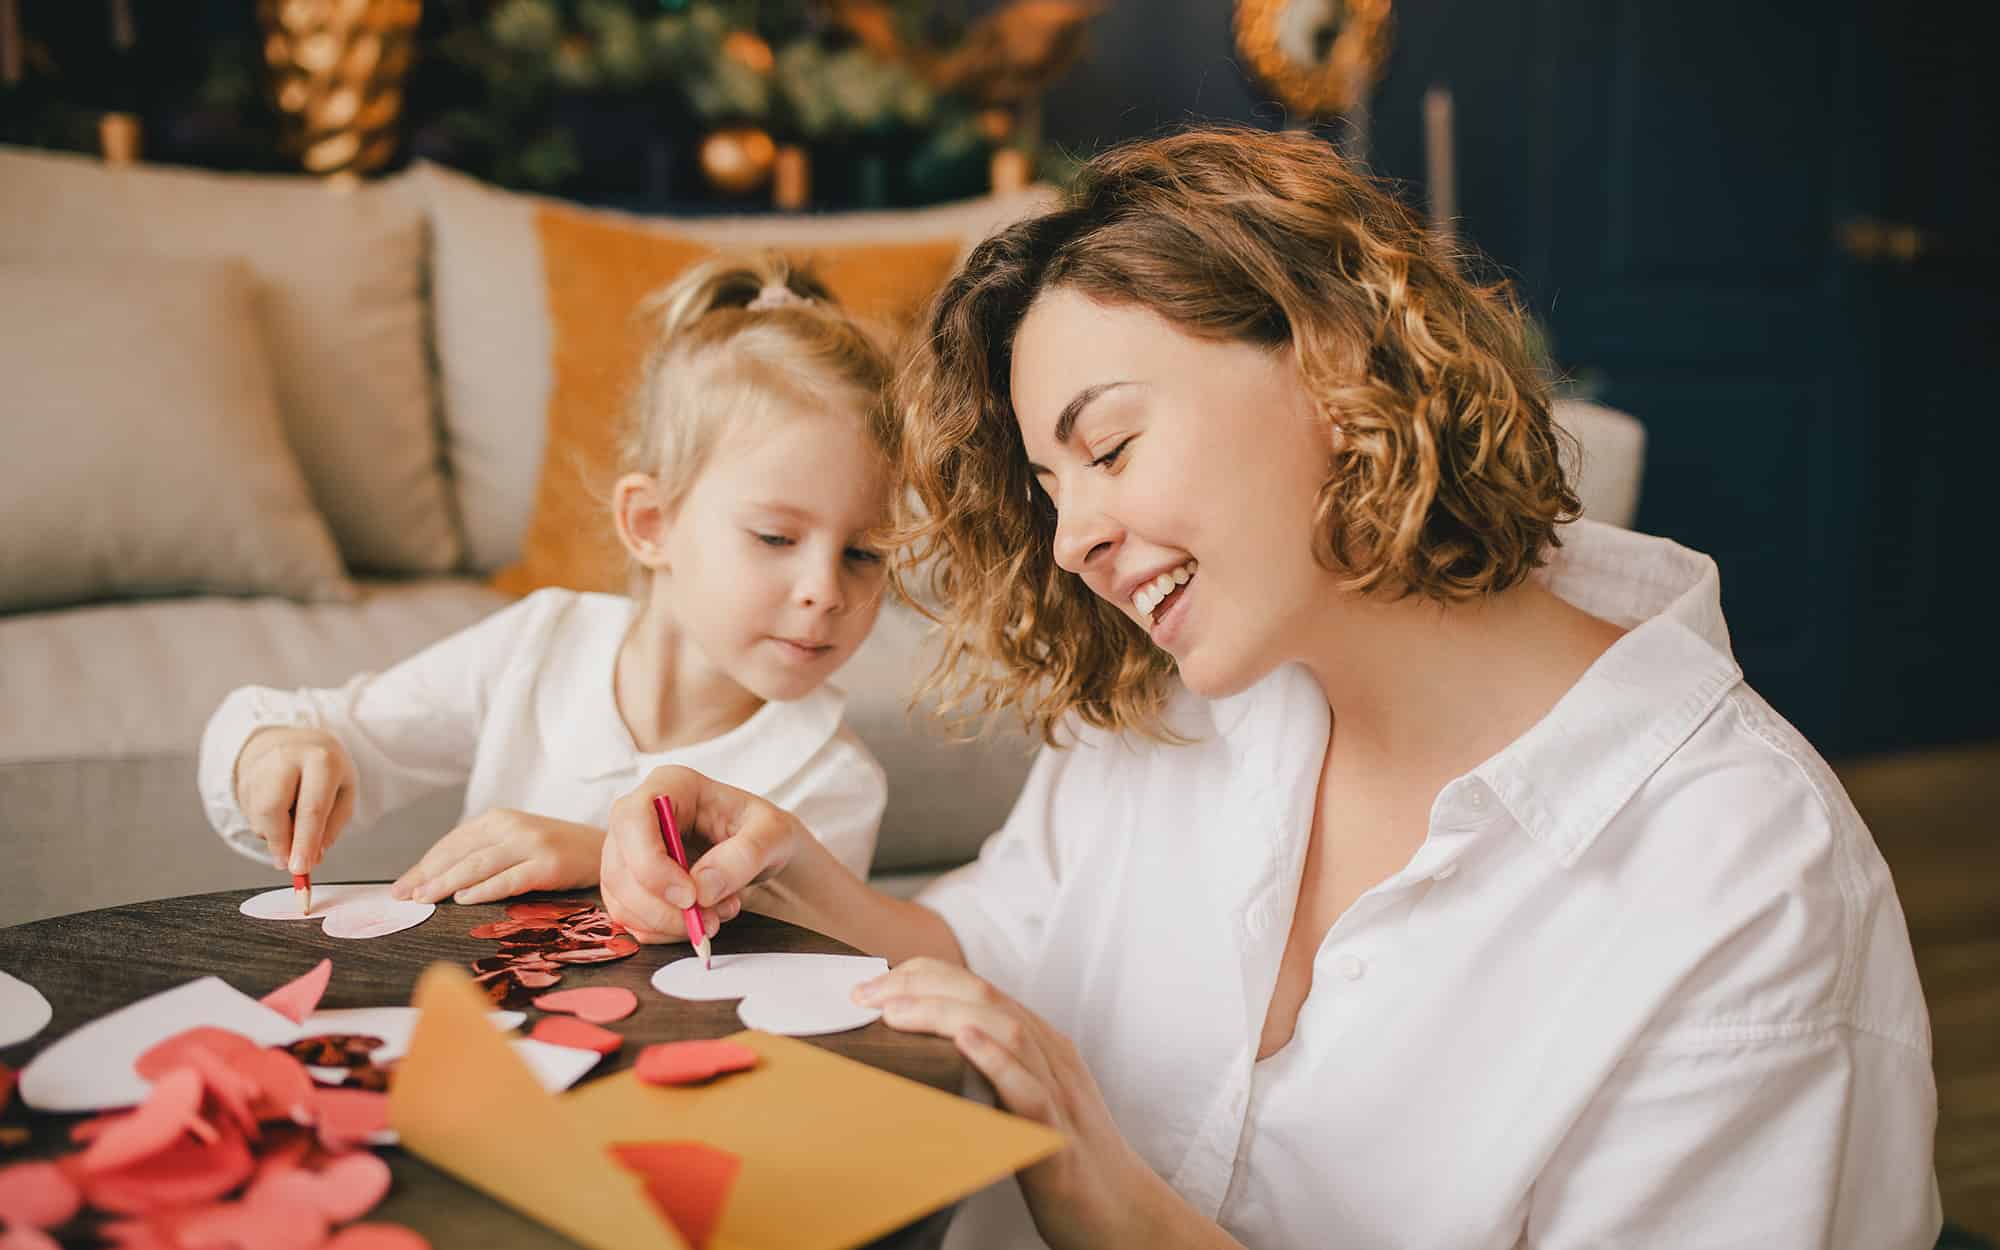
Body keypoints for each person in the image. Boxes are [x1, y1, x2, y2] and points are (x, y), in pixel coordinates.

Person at [597, 128, 1940, 1248]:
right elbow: (1007, 949)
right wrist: (785, 872)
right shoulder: (1182, 699)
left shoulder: (1746, 892)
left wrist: (1126, 1216)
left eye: (1110, 442)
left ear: (1337, 355)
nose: (1070, 541)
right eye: (1051, 489)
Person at [199, 255, 894, 909]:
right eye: (776, 537)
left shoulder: (831, 779)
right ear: (651, 524)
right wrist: (273, 752)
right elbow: (333, 733)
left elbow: (773, 965)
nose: (825, 590)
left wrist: (597, 858)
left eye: (864, 553)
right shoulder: (540, 645)